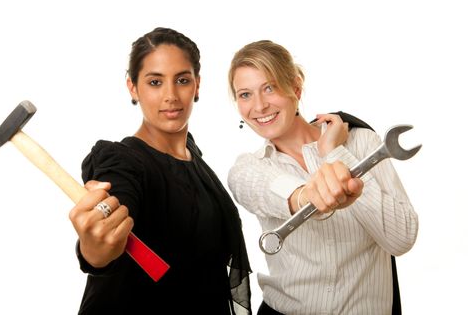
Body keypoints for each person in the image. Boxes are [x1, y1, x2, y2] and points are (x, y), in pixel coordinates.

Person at [226, 40, 418, 315]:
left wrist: (335, 153)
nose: (258, 106)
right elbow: (274, 190)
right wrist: (306, 195)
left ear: (296, 86)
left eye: (269, 87)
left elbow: (401, 239)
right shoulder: (249, 168)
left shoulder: (364, 144)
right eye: (245, 95)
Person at [69, 27, 252, 314]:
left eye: (182, 80)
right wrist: (95, 249)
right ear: (133, 87)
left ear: (197, 85)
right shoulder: (122, 161)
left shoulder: (195, 160)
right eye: (155, 82)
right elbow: (117, 201)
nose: (171, 96)